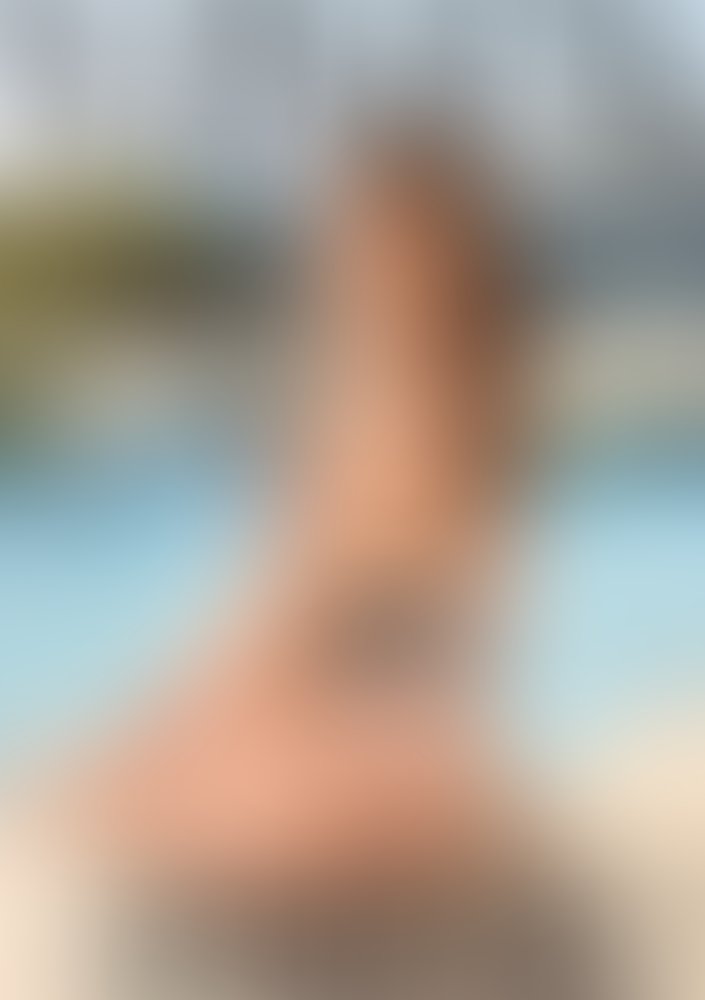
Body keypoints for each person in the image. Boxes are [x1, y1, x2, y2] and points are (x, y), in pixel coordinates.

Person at [1, 121, 605, 999]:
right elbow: (263, 652)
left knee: (136, 838)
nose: (341, 293)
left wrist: (154, 760)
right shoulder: (406, 443)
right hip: (383, 771)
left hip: (395, 787)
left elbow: (329, 651)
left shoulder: (420, 449)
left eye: (361, 267)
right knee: (128, 814)